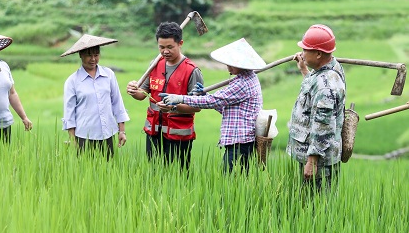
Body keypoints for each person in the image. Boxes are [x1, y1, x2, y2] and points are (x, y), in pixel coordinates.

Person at [159, 38, 265, 174]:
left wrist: (181, 98)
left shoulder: (242, 83)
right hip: (239, 141)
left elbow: (213, 101)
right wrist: (205, 93)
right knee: (232, 182)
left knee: (231, 183)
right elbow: (224, 106)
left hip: (240, 142)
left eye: (232, 64)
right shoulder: (245, 78)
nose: (228, 67)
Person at [126, 22, 204, 170]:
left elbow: (197, 106)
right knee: (154, 175)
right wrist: (132, 90)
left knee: (177, 179)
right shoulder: (155, 64)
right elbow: (141, 95)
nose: (165, 51)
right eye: (161, 47)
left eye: (170, 47)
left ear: (180, 43)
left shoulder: (191, 71)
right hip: (154, 132)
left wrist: (173, 107)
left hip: (178, 135)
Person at [286, 24, 346, 192]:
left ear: (319, 54)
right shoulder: (329, 68)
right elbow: (314, 94)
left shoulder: (326, 86)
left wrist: (312, 161)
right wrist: (305, 70)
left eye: (306, 50)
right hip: (314, 157)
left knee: (316, 210)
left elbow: (323, 126)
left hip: (319, 163)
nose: (302, 53)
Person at [61, 34, 129, 159]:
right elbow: (69, 113)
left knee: (108, 172)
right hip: (84, 137)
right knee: (86, 174)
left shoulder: (108, 75)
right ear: (81, 55)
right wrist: (72, 139)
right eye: (89, 55)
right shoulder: (73, 81)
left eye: (96, 55)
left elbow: (117, 103)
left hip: (107, 134)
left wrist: (122, 131)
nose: (93, 59)